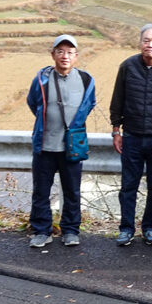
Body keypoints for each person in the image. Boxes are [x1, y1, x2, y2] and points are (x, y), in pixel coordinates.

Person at [110, 24, 152, 246]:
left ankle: (150, 228)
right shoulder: (128, 67)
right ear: (140, 43)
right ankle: (126, 228)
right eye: (146, 40)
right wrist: (116, 129)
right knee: (128, 186)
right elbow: (117, 100)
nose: (149, 45)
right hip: (132, 137)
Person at [26, 35, 96, 248]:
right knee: (41, 191)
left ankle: (71, 230)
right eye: (60, 51)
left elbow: (89, 103)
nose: (65, 56)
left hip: (72, 146)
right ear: (53, 55)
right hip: (45, 145)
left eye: (69, 52)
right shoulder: (42, 78)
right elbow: (32, 102)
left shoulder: (85, 79)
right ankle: (41, 231)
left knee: (72, 191)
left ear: (76, 56)